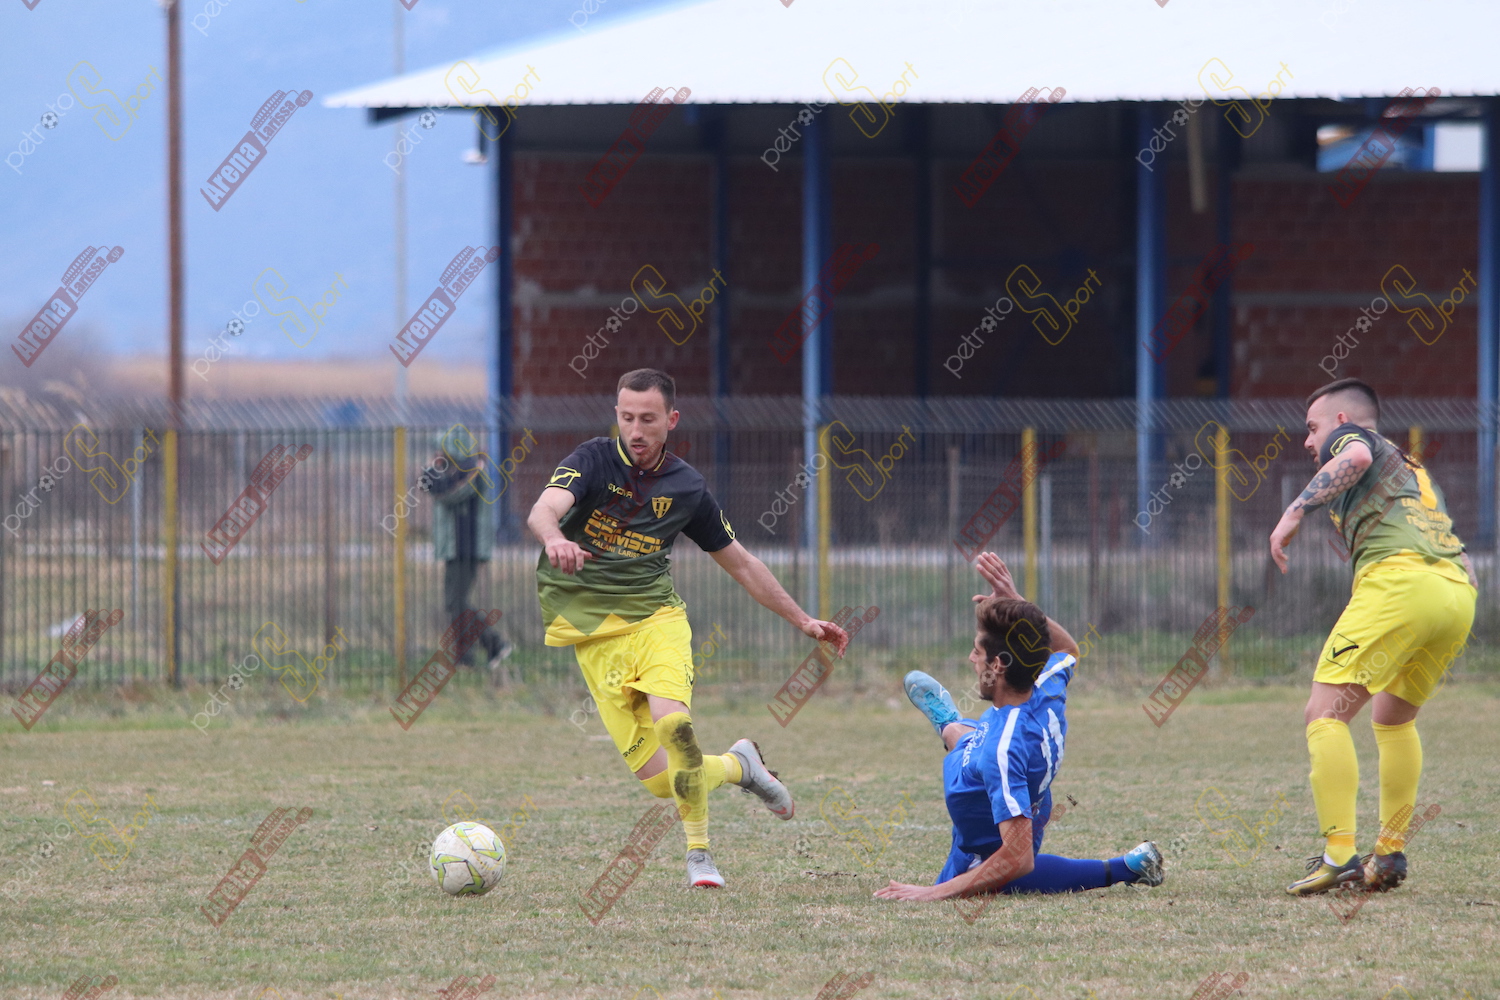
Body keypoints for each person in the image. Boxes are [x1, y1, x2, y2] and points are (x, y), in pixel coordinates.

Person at [526, 368, 850, 887]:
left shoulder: (686, 487)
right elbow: (545, 509)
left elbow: (741, 562)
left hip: (658, 620)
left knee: (673, 725)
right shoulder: (590, 460)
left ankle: (699, 855)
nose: (636, 430)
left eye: (648, 419)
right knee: (662, 782)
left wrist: (803, 619)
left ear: (671, 420)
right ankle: (741, 767)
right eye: (627, 417)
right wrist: (553, 539)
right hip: (594, 638)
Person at [1269, 377, 1476, 895]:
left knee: (1323, 714)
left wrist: (1292, 513)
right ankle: (1388, 853)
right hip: (1455, 594)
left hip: (1399, 584)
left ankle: (1339, 854)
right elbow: (1458, 549)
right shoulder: (1410, 467)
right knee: (1393, 718)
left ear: (1341, 420)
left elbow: (1355, 457)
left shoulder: (1355, 440)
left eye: (1311, 427)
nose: (1308, 440)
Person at [875, 552, 1163, 904]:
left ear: (997, 665)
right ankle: (949, 724)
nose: (971, 659)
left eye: (976, 652)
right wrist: (1016, 602)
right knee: (969, 741)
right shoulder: (1044, 686)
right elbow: (1068, 649)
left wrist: (932, 893)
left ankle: (1124, 868)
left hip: (988, 822)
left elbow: (1018, 857)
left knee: (977, 874)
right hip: (1031, 793)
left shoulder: (1003, 749)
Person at [423, 431, 513, 672]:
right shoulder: (455, 472)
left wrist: (433, 469)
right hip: (454, 547)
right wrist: (434, 468)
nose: (439, 454)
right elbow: (427, 485)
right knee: (454, 603)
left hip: (467, 546)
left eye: (442, 450)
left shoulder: (472, 471)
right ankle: (469, 655)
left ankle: (493, 644)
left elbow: (447, 493)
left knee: (457, 602)